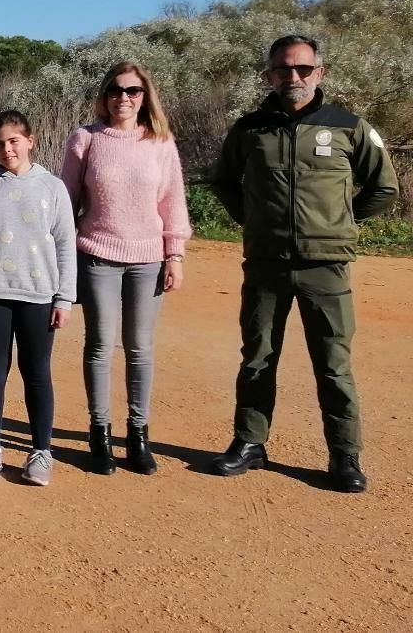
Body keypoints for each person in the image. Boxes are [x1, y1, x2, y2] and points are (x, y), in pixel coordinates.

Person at [209, 35, 399, 493]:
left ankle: (344, 456)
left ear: (320, 72)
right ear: (269, 75)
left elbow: (383, 187)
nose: (293, 77)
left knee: (333, 365)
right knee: (257, 358)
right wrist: (252, 219)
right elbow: (223, 181)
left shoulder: (350, 126)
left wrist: (340, 222)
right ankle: (250, 443)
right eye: (283, 70)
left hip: (325, 266)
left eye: (302, 69)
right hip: (266, 264)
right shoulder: (250, 129)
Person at [60, 61, 191, 476]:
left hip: (148, 258)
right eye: (116, 90)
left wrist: (175, 254)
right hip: (97, 254)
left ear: (144, 96)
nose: (124, 98)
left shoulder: (161, 142)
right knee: (100, 345)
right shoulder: (85, 139)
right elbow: (66, 201)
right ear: (104, 95)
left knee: (140, 348)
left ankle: (138, 434)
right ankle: (99, 433)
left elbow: (172, 202)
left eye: (133, 91)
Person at [0, 111, 77, 487]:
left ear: (30, 140)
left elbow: (65, 243)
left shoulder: (52, 186)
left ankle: (41, 450)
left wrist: (64, 298)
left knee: (37, 373)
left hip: (39, 295)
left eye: (13, 140)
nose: (6, 149)